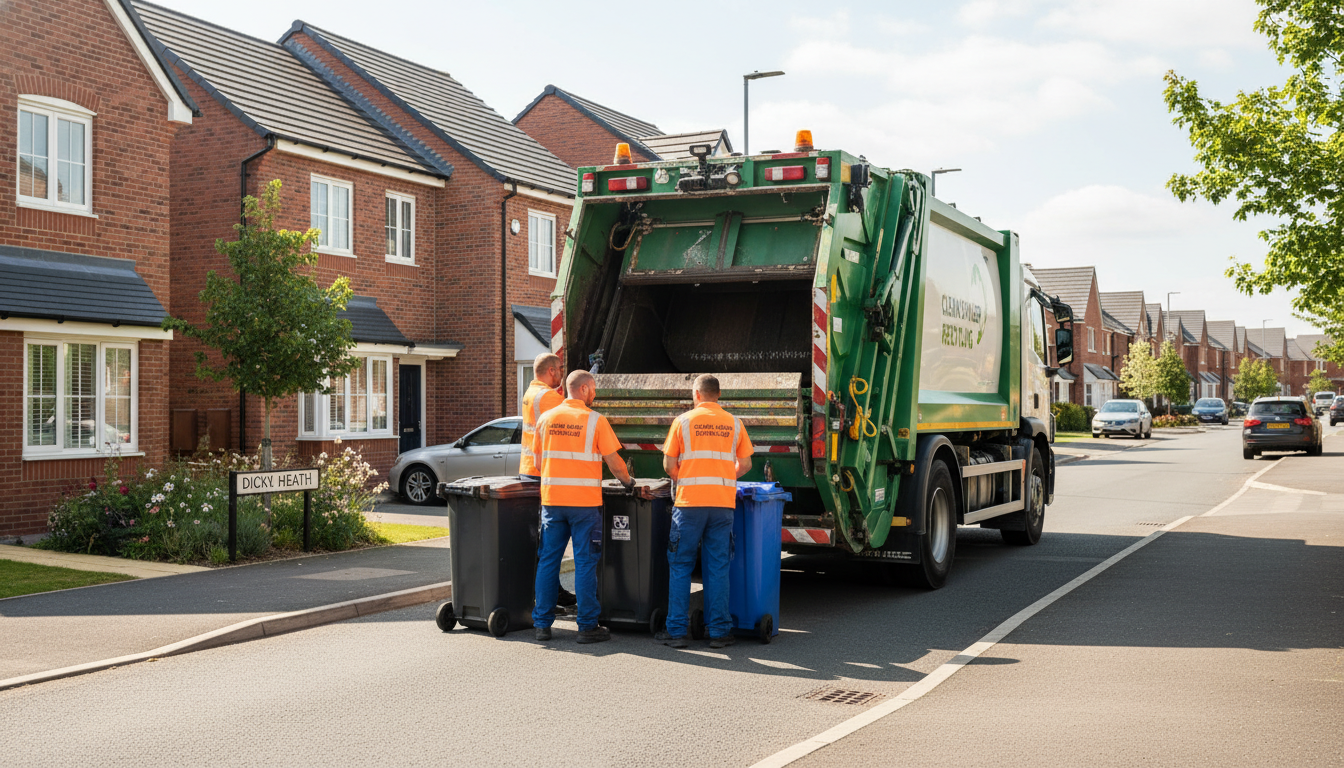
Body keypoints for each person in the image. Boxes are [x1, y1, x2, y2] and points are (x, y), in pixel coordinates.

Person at [533, 370, 635, 644]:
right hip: (584, 505)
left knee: (548, 561)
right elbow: (614, 462)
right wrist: (628, 482)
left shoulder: (546, 419)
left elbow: (538, 462)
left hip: (552, 502)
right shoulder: (595, 421)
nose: (595, 393)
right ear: (585, 389)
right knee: (585, 563)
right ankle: (587, 626)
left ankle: (542, 625)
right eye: (594, 389)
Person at [655, 374, 752, 649]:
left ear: (696, 394)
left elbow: (668, 464)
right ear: (718, 395)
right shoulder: (734, 422)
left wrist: (683, 479)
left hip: (689, 504)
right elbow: (744, 464)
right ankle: (719, 632)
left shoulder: (683, 421)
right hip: (722, 504)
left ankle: (676, 632)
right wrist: (724, 477)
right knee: (718, 567)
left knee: (681, 565)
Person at [518, 353, 578, 611]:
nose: (562, 373)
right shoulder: (550, 398)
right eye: (561, 369)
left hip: (529, 469)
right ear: (552, 371)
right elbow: (571, 423)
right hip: (544, 472)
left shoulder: (531, 393)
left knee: (544, 538)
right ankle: (548, 595)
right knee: (549, 540)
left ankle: (552, 591)